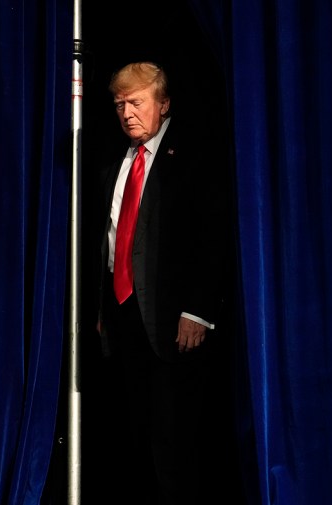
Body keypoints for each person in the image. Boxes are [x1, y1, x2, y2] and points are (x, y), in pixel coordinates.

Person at [96, 61, 227, 505]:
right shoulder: (116, 162)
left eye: (136, 102)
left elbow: (212, 236)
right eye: (119, 105)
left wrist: (198, 310)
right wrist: (101, 311)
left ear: (163, 104)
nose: (126, 113)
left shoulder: (191, 156)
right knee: (134, 439)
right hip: (124, 319)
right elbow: (110, 241)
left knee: (174, 445)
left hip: (175, 322)